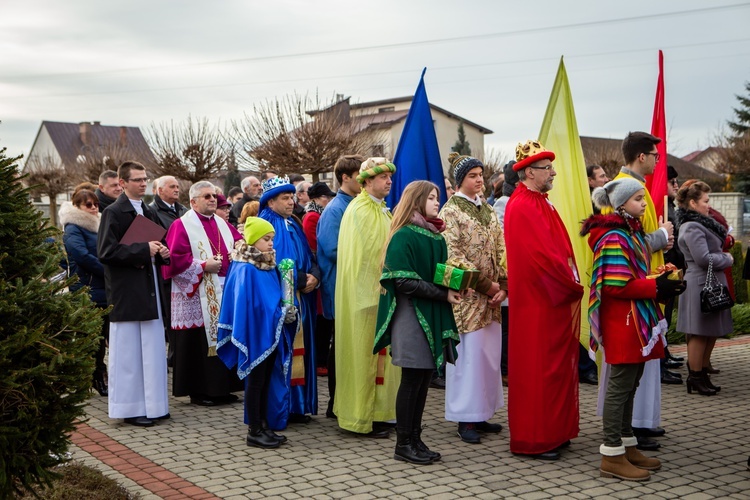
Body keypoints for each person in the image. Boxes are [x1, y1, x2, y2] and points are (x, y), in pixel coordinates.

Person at [582, 177, 684, 481]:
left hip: (634, 319)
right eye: (638, 198)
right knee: (620, 388)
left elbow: (632, 276)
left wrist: (661, 280)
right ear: (622, 204)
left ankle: (626, 445)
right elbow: (615, 286)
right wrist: (656, 287)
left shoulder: (631, 233)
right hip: (622, 322)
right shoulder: (615, 237)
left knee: (631, 384)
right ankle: (611, 454)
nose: (644, 202)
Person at [504, 140, 583, 460]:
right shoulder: (522, 205)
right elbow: (539, 259)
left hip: (552, 301)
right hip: (537, 303)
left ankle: (557, 431)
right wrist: (568, 283)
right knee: (538, 370)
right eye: (546, 167)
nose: (553, 172)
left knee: (558, 368)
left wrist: (570, 276)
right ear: (528, 173)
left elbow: (559, 250)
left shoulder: (541, 202)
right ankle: (535, 438)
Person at [375, 181, 461, 464]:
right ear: (417, 200)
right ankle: (403, 444)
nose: (438, 202)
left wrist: (461, 282)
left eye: (438, 197)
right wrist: (443, 293)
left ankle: (415, 438)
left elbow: (437, 273)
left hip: (430, 311)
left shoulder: (435, 236)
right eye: (433, 198)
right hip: (411, 315)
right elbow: (402, 281)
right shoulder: (404, 235)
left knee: (424, 379)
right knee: (412, 380)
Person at [439, 152, 507, 445]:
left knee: (487, 357)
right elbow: (450, 256)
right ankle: (465, 417)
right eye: (472, 176)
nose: (479, 180)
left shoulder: (489, 211)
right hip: (467, 298)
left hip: (491, 299)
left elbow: (502, 247)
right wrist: (486, 285)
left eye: (480, 175)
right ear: (459, 181)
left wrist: (503, 284)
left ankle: (481, 412)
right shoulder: (449, 212)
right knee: (467, 357)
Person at [97, 161, 170, 427]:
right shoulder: (114, 213)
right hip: (127, 293)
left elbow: (156, 247)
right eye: (137, 179)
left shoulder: (149, 212)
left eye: (145, 178)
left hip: (149, 290)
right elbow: (106, 253)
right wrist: (144, 249)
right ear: (123, 183)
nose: (143, 183)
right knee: (129, 355)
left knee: (152, 351)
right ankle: (130, 408)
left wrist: (162, 253)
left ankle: (154, 405)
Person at [614, 131, 675, 451]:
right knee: (631, 366)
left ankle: (641, 423)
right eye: (655, 155)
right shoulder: (624, 190)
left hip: (647, 284)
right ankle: (629, 429)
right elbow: (624, 245)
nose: (656, 160)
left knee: (646, 363)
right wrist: (662, 237)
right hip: (633, 290)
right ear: (641, 156)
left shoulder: (640, 189)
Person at [334, 157, 400, 437]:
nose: (389, 181)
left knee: (382, 359)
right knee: (363, 357)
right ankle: (360, 417)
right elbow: (364, 258)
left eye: (389, 177)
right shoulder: (359, 210)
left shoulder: (382, 210)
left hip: (382, 295)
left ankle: (380, 413)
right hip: (366, 299)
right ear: (367, 181)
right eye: (383, 177)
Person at [162, 181, 244, 406]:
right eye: (207, 196)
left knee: (223, 336)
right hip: (198, 292)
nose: (212, 200)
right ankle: (199, 391)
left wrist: (241, 249)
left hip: (224, 289)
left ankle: (223, 388)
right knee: (198, 342)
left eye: (214, 196)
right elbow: (173, 260)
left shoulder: (222, 223)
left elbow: (239, 242)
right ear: (193, 202)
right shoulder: (181, 225)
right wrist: (202, 265)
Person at [218, 217, 294, 448]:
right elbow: (247, 304)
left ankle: (264, 425)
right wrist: (279, 311)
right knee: (256, 380)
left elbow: (272, 295)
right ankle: (254, 430)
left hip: (269, 329)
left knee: (266, 378)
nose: (271, 243)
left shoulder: (267, 263)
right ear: (253, 240)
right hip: (254, 331)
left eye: (272, 239)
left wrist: (286, 306)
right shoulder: (245, 267)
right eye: (266, 239)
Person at [259, 176, 319, 423]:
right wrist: (300, 279)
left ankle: (298, 405)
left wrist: (315, 275)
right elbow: (270, 264)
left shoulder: (293, 224)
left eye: (292, 197)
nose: (291, 202)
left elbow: (309, 254)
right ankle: (281, 407)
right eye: (285, 198)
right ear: (271, 201)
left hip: (302, 298)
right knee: (285, 353)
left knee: (302, 353)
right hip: (282, 301)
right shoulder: (266, 225)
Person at [675, 180, 733, 396]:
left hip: (707, 283)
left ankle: (701, 375)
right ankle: (695, 377)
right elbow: (703, 259)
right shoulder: (691, 227)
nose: (709, 205)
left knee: (707, 332)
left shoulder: (699, 224)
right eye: (706, 201)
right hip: (700, 285)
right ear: (693, 202)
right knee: (698, 333)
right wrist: (727, 258)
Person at [317, 154, 364, 418]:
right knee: (341, 347)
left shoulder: (357, 203)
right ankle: (335, 403)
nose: (364, 180)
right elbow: (333, 248)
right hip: (340, 285)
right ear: (345, 177)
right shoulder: (336, 209)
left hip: (355, 284)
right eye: (360, 175)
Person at [61, 189, 108, 396]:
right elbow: (81, 255)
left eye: (95, 204)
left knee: (102, 336)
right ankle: (95, 376)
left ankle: (97, 374)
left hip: (103, 288)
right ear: (77, 206)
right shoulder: (73, 227)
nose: (93, 208)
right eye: (88, 204)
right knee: (92, 337)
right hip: (86, 288)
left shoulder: (98, 225)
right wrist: (107, 271)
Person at [302, 181, 336, 376]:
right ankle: (320, 361)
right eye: (325, 197)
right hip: (320, 273)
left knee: (324, 321)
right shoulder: (312, 217)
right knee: (321, 320)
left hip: (322, 273)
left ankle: (321, 359)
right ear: (315, 198)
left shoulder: (318, 214)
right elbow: (316, 246)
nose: (328, 200)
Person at [493, 159, 518, 387]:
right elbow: (502, 238)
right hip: (507, 272)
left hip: (519, 275)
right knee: (506, 327)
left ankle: (511, 367)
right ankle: (504, 370)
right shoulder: (503, 203)